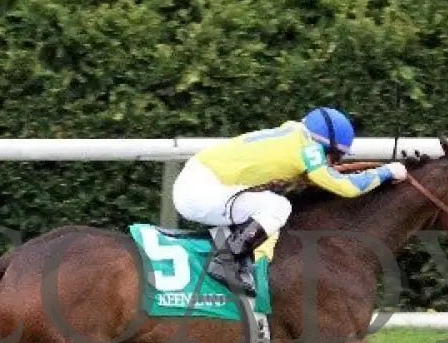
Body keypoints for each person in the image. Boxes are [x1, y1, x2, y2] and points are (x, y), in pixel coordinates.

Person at [172, 106, 408, 295]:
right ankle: (227, 259)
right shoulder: (309, 150)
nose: (333, 161)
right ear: (324, 145)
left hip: (201, 180)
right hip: (198, 191)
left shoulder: (295, 133)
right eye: (334, 155)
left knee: (268, 204)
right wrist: (387, 172)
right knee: (277, 206)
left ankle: (240, 256)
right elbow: (343, 187)